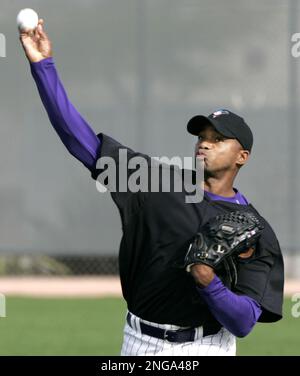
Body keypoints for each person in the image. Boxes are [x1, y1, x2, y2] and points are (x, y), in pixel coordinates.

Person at [19, 19, 284, 356]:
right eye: (202, 137)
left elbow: (244, 322)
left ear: (242, 156)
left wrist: (207, 279)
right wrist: (43, 66)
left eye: (218, 139)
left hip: (206, 347)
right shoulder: (155, 183)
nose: (204, 144)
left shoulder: (256, 230)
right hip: (139, 342)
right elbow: (79, 140)